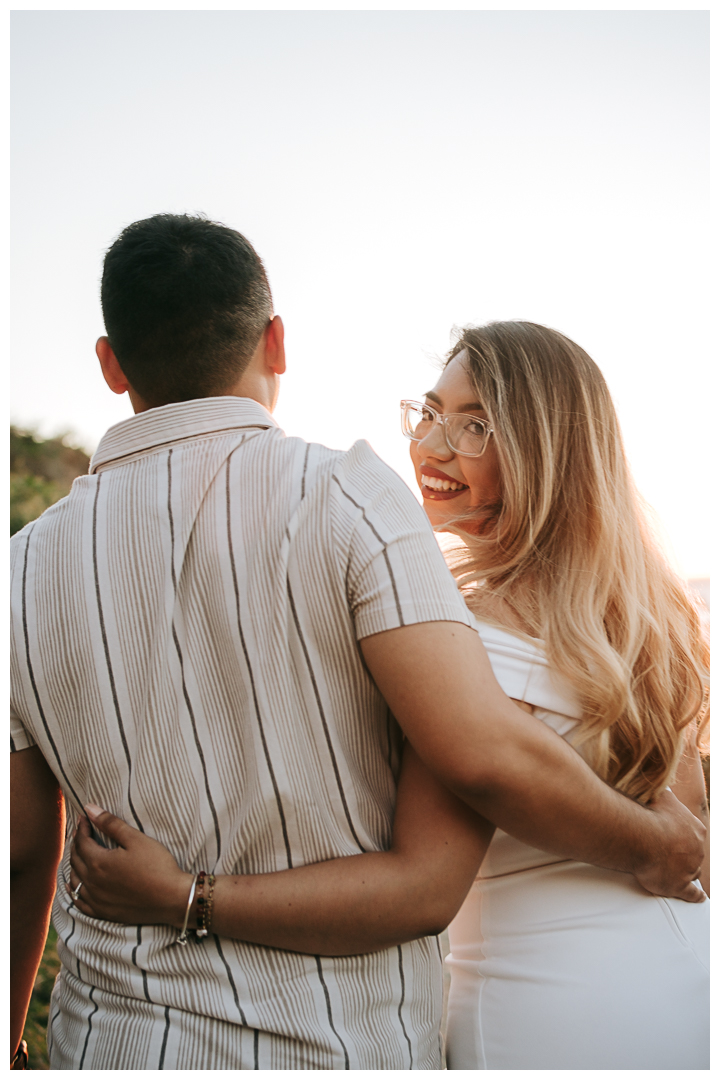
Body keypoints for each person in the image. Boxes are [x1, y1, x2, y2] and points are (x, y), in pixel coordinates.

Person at [10, 214, 705, 1070]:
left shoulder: (20, 570)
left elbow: (21, 854)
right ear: (276, 342)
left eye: (477, 425)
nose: (432, 445)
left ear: (110, 363)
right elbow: (684, 820)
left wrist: (178, 902)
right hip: (666, 973)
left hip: (533, 1012)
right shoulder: (637, 613)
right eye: (431, 413)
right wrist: (659, 846)